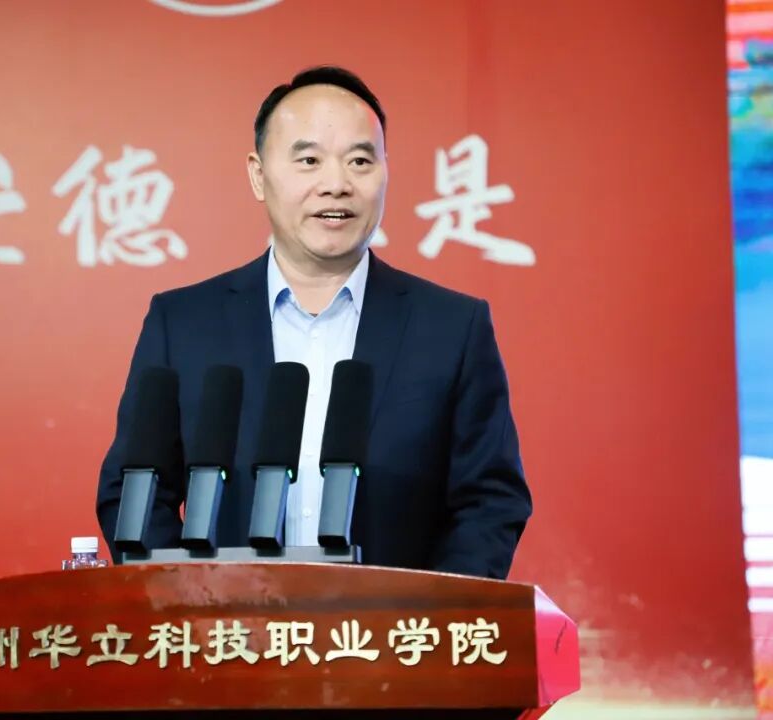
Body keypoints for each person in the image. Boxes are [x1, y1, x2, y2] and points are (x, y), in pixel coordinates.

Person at [96, 66, 531, 579]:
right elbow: (133, 494)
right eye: (309, 160)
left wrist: (429, 615)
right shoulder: (184, 323)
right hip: (227, 627)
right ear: (259, 175)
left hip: (397, 628)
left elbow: (490, 502)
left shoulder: (452, 328)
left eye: (360, 161)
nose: (337, 185)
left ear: (386, 171)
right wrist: (194, 606)